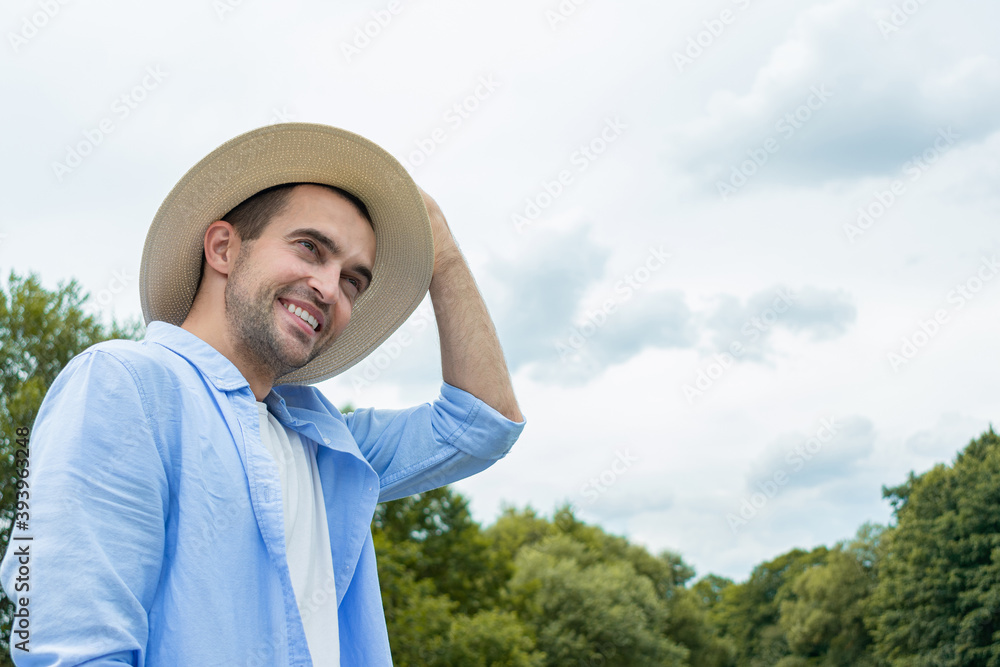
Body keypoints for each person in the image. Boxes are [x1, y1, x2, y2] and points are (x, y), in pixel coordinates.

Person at [0, 123, 525, 666]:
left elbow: (482, 425)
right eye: (310, 248)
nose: (329, 288)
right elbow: (71, 647)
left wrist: (443, 254)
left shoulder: (326, 444)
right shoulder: (124, 384)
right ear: (224, 248)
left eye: (352, 281)